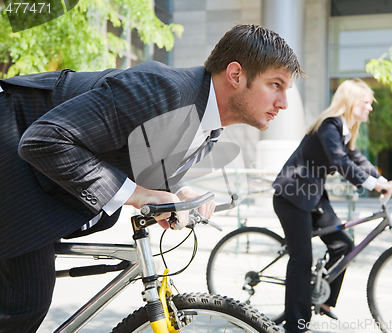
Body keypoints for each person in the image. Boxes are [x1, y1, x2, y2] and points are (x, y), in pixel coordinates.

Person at [0, 24, 304, 332]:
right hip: (11, 154)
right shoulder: (163, 90)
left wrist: (180, 192)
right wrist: (139, 195)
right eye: (275, 85)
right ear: (236, 75)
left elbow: (147, 164)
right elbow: (45, 139)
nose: (284, 103)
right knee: (27, 302)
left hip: (39, 183)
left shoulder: (209, 126)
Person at [272, 79, 392, 333]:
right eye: (366, 102)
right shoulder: (330, 125)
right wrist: (373, 186)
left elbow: (356, 158)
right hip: (292, 194)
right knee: (302, 259)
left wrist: (384, 181)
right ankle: (295, 326)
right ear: (352, 102)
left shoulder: (346, 129)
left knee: (343, 245)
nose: (370, 108)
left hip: (313, 196)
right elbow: (340, 162)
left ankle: (322, 299)